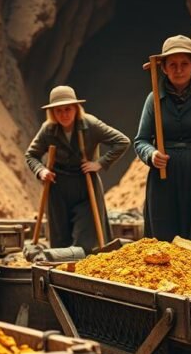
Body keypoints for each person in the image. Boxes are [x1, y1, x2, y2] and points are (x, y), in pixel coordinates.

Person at [133, 35, 191, 246]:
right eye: (172, 64)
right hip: (164, 183)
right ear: (164, 68)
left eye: (184, 63)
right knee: (164, 246)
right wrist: (151, 155)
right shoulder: (154, 99)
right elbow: (141, 141)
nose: (178, 69)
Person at [24, 85, 130, 252]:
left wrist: (99, 163)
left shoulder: (90, 124)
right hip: (58, 187)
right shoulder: (48, 129)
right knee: (60, 240)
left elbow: (122, 141)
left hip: (85, 186)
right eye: (58, 111)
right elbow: (31, 155)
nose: (64, 114)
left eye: (68, 109)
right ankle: (61, 273)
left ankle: (82, 273)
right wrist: (41, 171)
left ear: (76, 108)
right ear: (52, 113)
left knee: (86, 240)